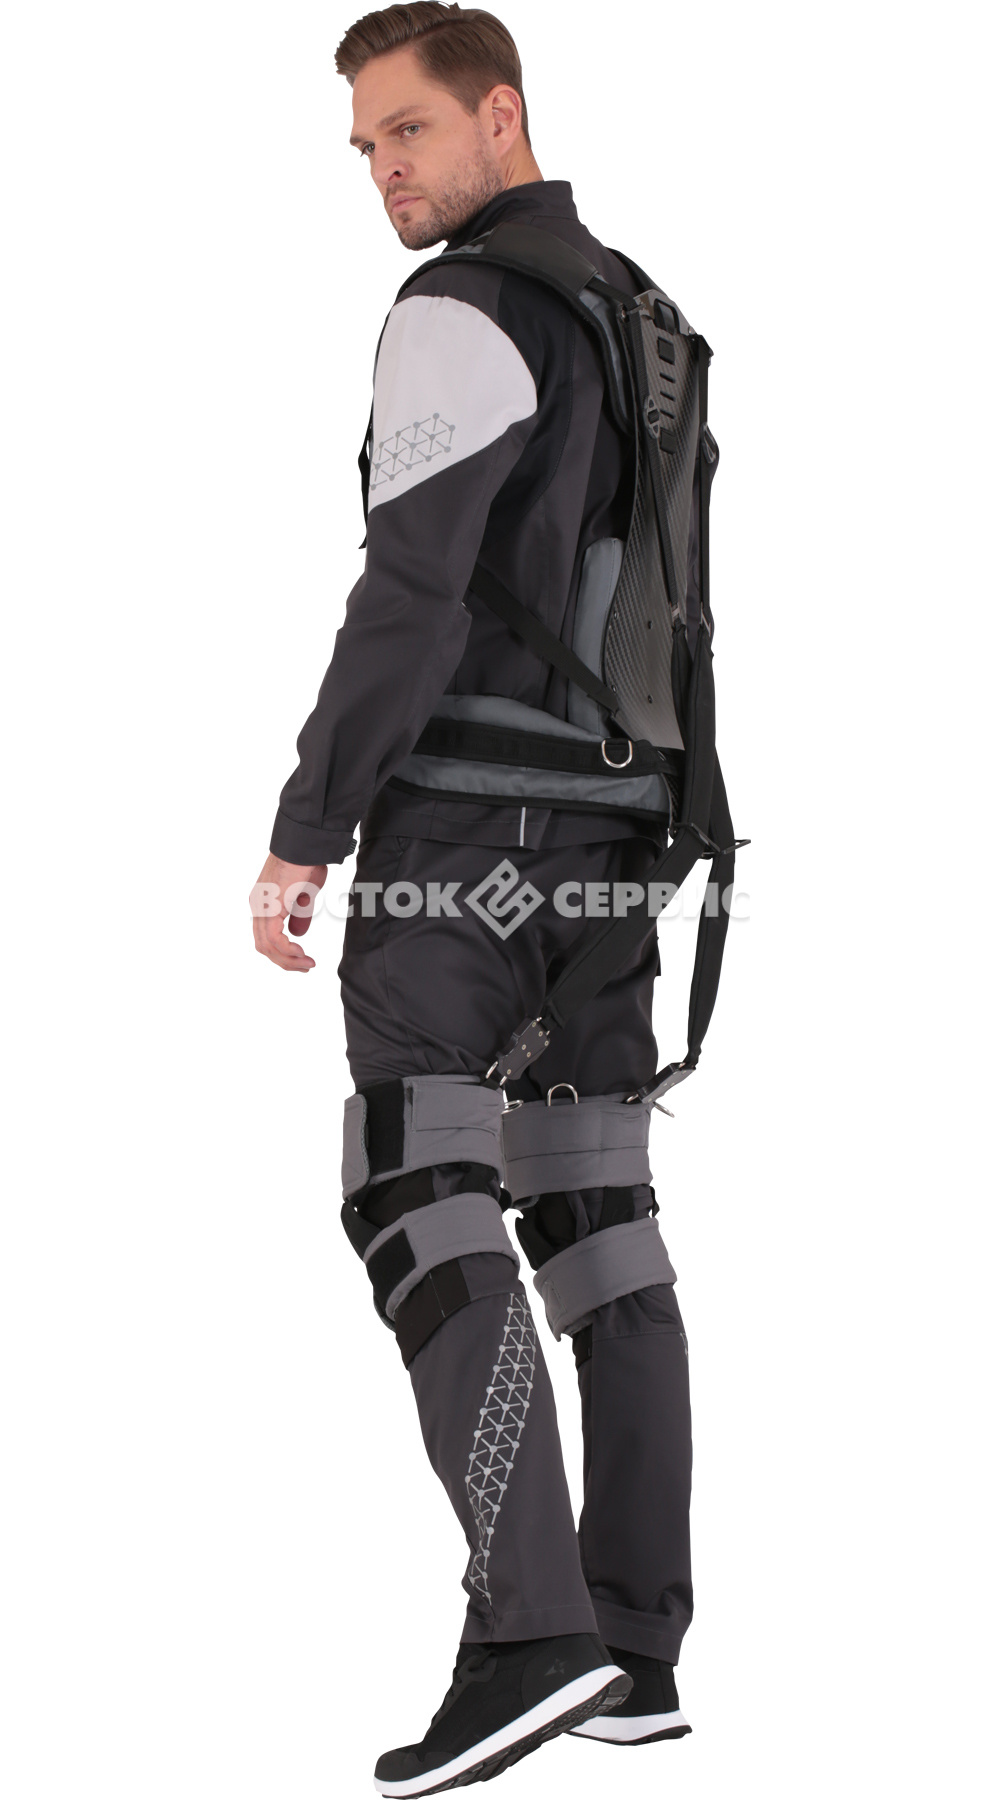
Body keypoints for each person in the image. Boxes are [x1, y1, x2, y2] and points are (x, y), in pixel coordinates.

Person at [250, 7, 698, 1792]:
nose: (385, 171)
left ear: (500, 113)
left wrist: (310, 823)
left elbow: (413, 592)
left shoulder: (462, 307)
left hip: (461, 834)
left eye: (410, 130)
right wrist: (682, 824)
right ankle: (637, 1647)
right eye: (366, 147)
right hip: (620, 838)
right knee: (598, 1222)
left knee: (417, 1188)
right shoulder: (639, 312)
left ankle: (532, 1635)